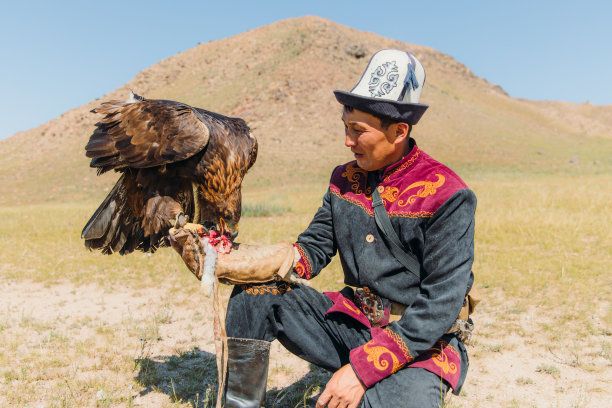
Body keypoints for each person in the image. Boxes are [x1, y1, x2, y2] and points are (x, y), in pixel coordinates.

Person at [172, 49, 476, 408]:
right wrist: (240, 259)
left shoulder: (448, 194)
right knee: (254, 296)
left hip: (419, 343)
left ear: (399, 131)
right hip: (353, 324)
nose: (347, 141)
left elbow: (440, 305)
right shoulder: (343, 179)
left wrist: (362, 371)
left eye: (358, 131)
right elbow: (313, 250)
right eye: (346, 128)